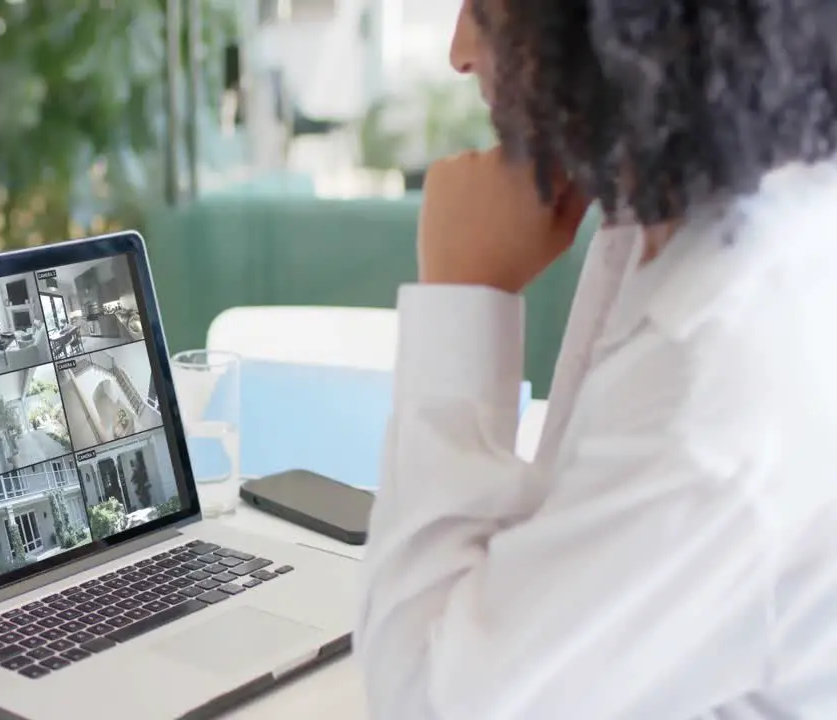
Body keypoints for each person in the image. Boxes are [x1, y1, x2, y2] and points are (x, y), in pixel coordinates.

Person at [355, 1, 837, 718]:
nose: (460, 51)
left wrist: (463, 294)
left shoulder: (709, 387)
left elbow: (426, 703)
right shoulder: (695, 216)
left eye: (487, 9)